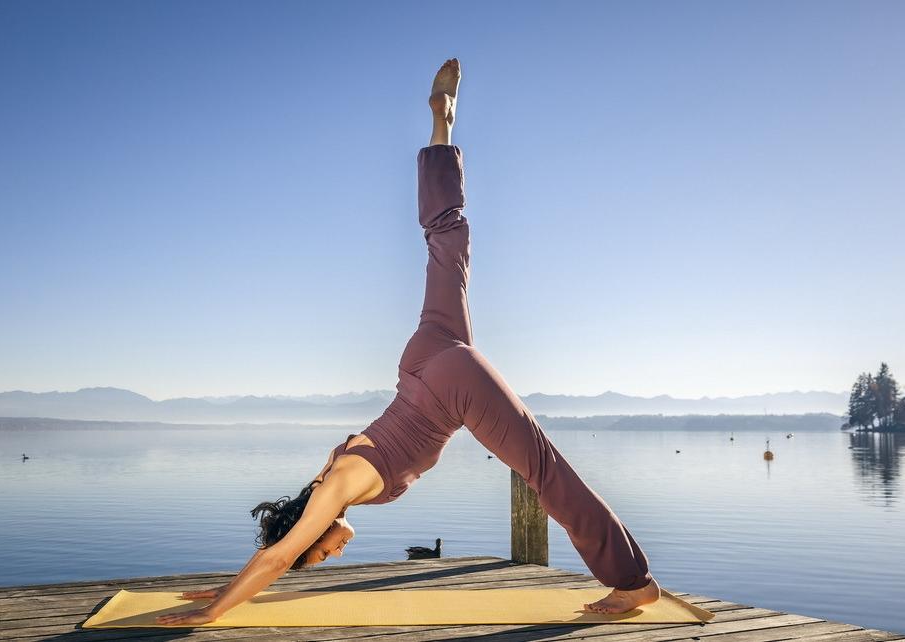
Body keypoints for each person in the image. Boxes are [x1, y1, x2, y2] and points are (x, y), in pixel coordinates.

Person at [156, 58, 660, 626]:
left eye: (321, 552)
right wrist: (224, 589)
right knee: (447, 242)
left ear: (315, 528)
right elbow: (277, 547)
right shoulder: (329, 470)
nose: (332, 554)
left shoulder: (336, 489)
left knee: (543, 470)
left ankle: (631, 583)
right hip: (423, 358)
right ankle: (442, 128)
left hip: (448, 388)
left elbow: (277, 554)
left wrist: (212, 612)